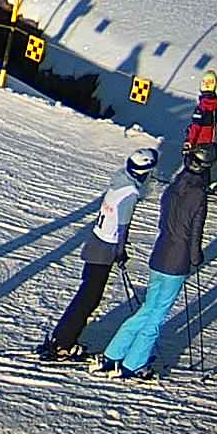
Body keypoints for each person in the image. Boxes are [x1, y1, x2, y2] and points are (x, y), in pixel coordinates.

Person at [101, 142, 217, 378]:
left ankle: (114, 353)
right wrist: (196, 257)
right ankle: (134, 363)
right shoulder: (199, 195)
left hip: (159, 253)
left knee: (147, 309)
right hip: (178, 260)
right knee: (157, 315)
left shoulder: (173, 187)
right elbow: (195, 232)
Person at [41, 147, 158, 362]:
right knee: (89, 299)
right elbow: (123, 226)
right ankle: (63, 344)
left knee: (86, 294)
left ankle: (61, 337)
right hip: (105, 248)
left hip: (95, 241)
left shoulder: (119, 179)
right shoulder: (131, 193)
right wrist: (120, 251)